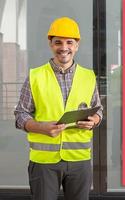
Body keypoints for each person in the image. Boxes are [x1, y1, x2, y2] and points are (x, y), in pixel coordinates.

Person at [14, 17, 103, 200]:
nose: (64, 48)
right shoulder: (35, 76)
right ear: (50, 44)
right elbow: (20, 114)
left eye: (69, 42)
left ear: (77, 45)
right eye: (58, 43)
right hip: (44, 162)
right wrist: (41, 127)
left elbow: (98, 109)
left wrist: (94, 120)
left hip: (79, 160)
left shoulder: (88, 76)